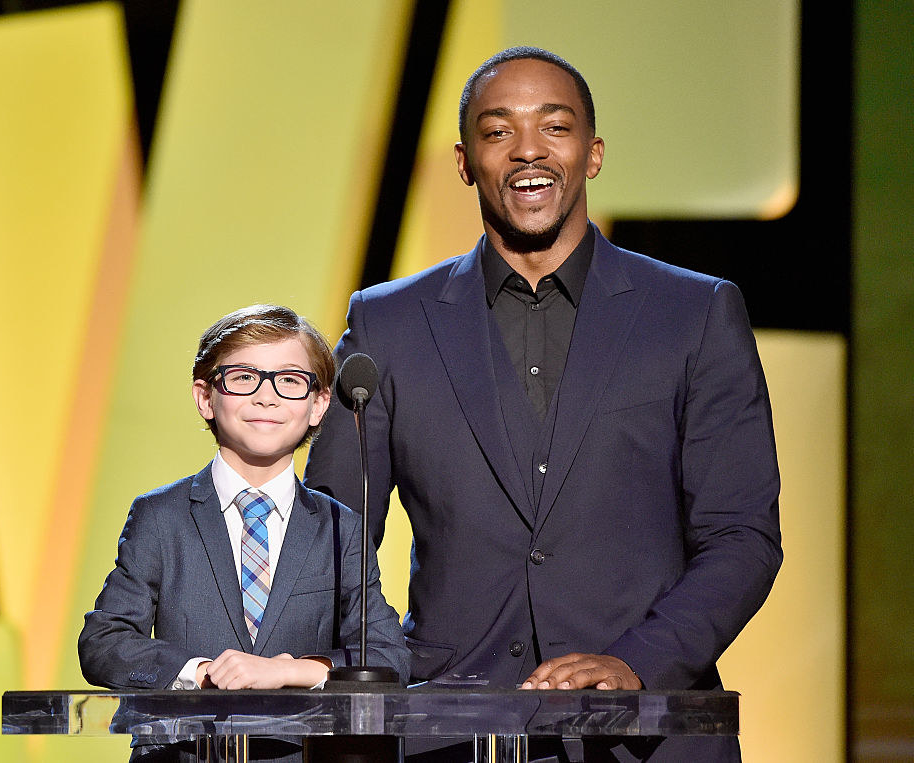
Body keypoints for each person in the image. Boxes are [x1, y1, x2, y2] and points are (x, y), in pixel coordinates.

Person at [304, 47, 782, 761]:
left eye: (555, 127)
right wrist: (372, 674)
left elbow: (742, 534)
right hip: (447, 734)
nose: (529, 150)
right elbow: (331, 541)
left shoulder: (695, 311)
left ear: (592, 154)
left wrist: (637, 664)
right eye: (498, 131)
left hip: (646, 734)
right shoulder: (389, 324)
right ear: (465, 161)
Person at [79, 304, 409, 762]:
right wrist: (201, 672)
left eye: (290, 380)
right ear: (205, 396)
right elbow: (104, 640)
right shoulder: (160, 516)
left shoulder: (340, 527)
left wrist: (287, 671)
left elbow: (389, 657)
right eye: (243, 377)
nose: (266, 397)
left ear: (318, 405)